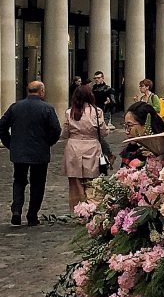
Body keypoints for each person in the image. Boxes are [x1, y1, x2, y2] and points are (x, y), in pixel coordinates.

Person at [83, 100, 164, 297]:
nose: (126, 129)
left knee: (135, 284)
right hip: (124, 221)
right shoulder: (129, 149)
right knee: (107, 280)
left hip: (149, 226)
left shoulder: (161, 149)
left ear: (145, 125)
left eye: (130, 125)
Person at [0, 81, 61, 226]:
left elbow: (2, 126)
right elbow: (56, 130)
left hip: (19, 152)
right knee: (38, 184)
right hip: (39, 152)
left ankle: (16, 210)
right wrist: (48, 143)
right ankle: (32, 215)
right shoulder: (47, 108)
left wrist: (10, 143)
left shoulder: (15, 107)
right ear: (41, 91)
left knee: (19, 181)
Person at [61, 84, 110, 213]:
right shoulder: (97, 111)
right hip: (92, 147)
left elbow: (65, 133)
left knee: (75, 183)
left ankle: (79, 211)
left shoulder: (69, 112)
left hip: (73, 148)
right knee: (93, 181)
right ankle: (93, 209)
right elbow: (104, 132)